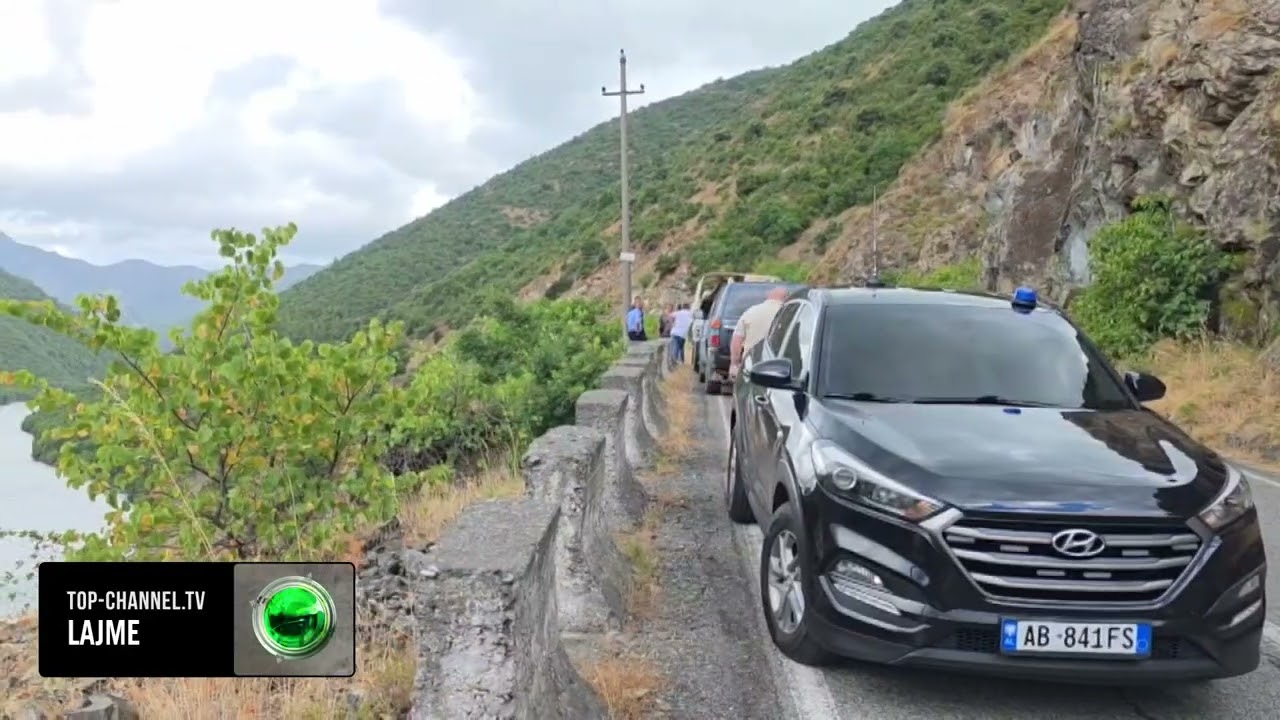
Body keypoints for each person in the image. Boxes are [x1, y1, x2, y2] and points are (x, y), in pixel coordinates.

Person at [729, 286, 788, 379]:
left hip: (751, 364)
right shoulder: (787, 313)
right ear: (785, 298)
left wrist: (734, 364)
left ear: (768, 297)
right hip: (779, 367)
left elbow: (737, 340)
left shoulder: (750, 312)